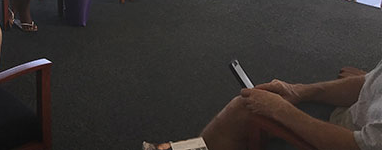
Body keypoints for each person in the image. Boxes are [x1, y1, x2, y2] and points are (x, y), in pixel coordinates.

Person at [148, 63, 381, 150]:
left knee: (251, 109)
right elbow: (368, 81)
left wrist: (280, 110)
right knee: (249, 104)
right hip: (353, 116)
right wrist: (299, 90)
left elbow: (362, 146)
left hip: (347, 137)